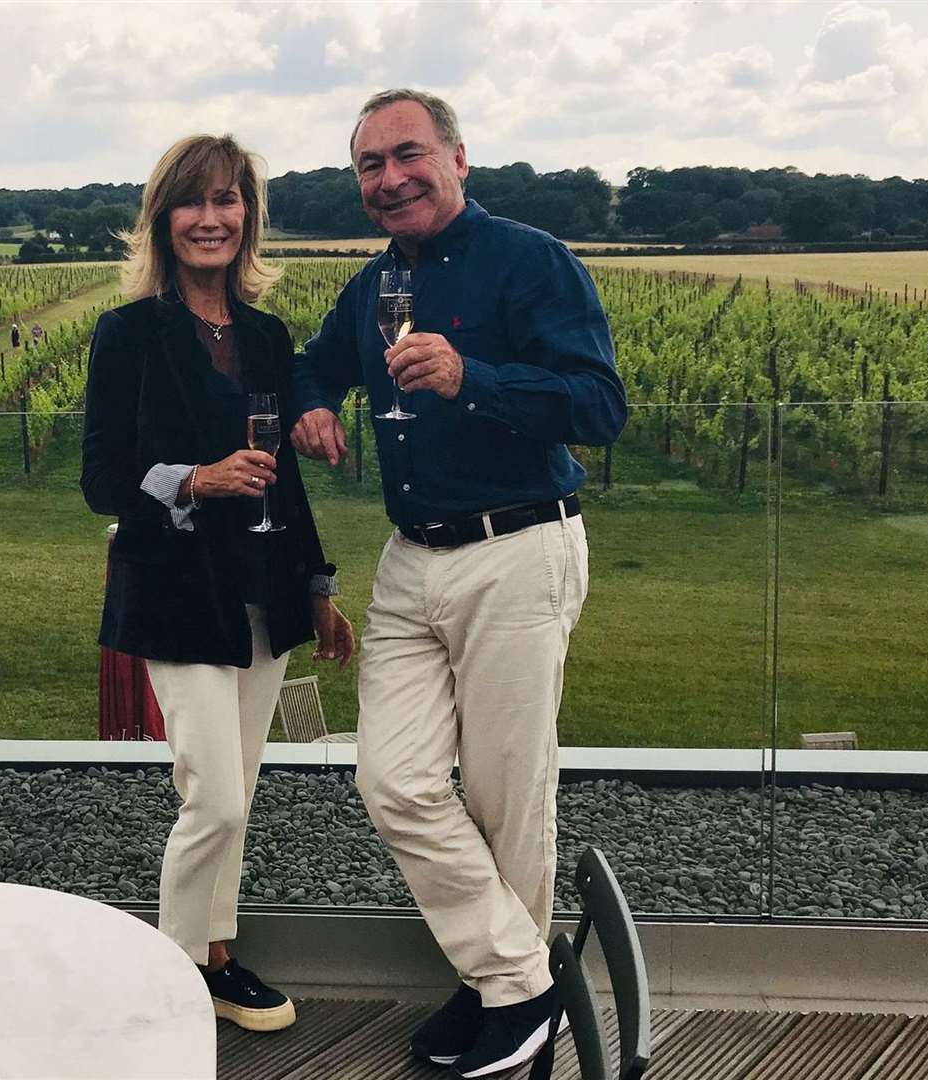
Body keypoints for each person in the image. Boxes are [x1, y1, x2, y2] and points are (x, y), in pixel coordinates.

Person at [290, 89, 626, 1077]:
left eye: (406, 156)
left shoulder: (530, 260)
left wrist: (472, 375)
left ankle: (499, 996)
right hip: (411, 561)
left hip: (519, 548)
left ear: (458, 158)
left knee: (504, 796)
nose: (388, 180)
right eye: (369, 167)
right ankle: (526, 984)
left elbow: (598, 406)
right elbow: (315, 367)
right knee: (391, 780)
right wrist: (312, 409)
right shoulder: (373, 285)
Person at [82, 133, 355, 1034]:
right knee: (217, 796)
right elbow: (100, 480)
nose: (212, 217)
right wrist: (194, 480)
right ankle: (170, 976)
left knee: (238, 790)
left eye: (229, 199)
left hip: (263, 593)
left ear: (249, 217)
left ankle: (216, 958)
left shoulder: (268, 336)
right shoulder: (127, 334)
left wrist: (317, 587)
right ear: (164, 217)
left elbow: (288, 478)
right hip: (175, 594)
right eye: (194, 201)